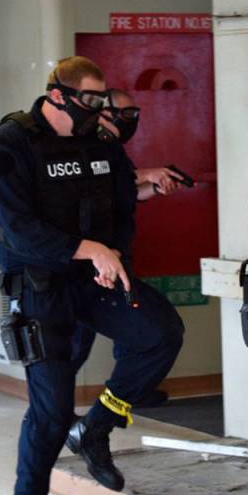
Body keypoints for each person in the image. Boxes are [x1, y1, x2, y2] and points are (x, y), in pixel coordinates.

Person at [0, 56, 184, 495]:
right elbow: (19, 229)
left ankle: (96, 427)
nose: (100, 112)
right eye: (90, 102)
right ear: (58, 96)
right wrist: (89, 248)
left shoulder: (101, 143)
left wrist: (133, 208)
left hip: (95, 277)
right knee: (51, 410)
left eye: (102, 102)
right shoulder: (12, 144)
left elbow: (117, 202)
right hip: (39, 285)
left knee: (160, 334)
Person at [64, 88, 186, 424]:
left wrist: (154, 188)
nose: (130, 121)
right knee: (73, 343)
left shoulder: (112, 149)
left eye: (134, 114)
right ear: (102, 112)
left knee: (142, 328)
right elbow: (92, 185)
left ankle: (129, 392)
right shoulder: (83, 144)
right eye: (124, 113)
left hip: (113, 256)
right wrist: (147, 173)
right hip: (79, 262)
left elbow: (122, 194)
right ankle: (55, 413)